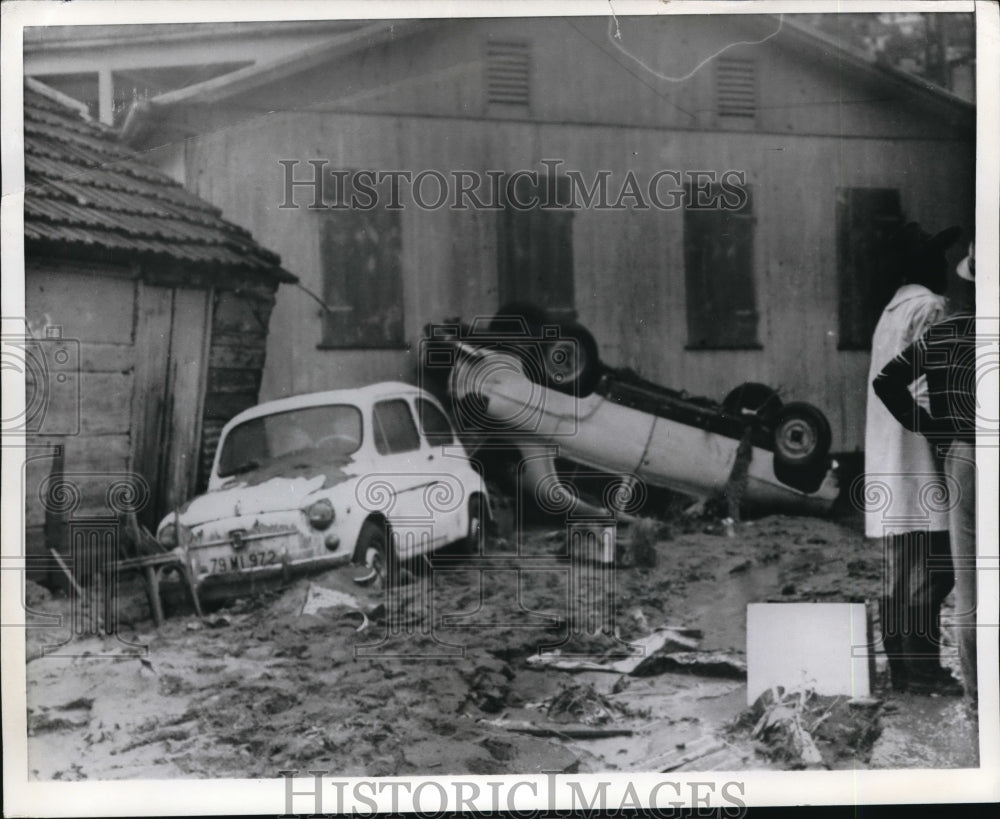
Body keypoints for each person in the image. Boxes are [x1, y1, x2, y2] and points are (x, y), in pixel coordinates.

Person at [874, 240, 977, 708]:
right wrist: (939, 432)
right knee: (933, 572)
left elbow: (888, 381)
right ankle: (922, 669)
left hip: (888, 459)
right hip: (922, 460)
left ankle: (902, 666)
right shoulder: (932, 308)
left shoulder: (891, 311)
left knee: (900, 571)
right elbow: (940, 384)